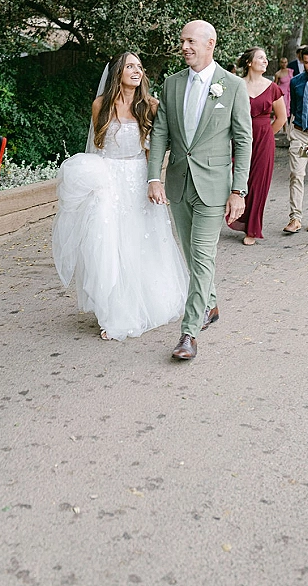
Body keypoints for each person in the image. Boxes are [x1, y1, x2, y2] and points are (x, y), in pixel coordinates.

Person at [52, 52, 188, 341]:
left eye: (139, 67)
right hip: (108, 180)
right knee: (106, 245)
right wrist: (93, 182)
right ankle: (113, 312)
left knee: (141, 241)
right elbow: (97, 146)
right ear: (118, 72)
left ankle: (148, 303)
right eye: (130, 66)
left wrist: (156, 181)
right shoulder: (100, 105)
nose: (136, 71)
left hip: (138, 178)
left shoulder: (151, 106)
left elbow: (155, 149)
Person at [147, 20, 252, 361]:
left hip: (214, 186)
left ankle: (188, 333)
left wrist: (239, 190)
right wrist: (154, 177)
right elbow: (160, 131)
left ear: (211, 43)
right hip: (179, 182)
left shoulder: (232, 86)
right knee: (192, 256)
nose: (185, 46)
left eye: (191, 41)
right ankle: (211, 304)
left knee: (203, 257)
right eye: (182, 41)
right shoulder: (172, 84)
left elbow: (243, 139)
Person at [228, 48, 286, 245]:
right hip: (239, 139)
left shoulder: (273, 88)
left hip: (263, 140)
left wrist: (266, 135)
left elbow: (281, 118)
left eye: (266, 58)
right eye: (261, 58)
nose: (265, 61)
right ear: (249, 63)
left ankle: (252, 229)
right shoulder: (237, 85)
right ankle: (240, 217)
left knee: (258, 184)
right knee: (239, 179)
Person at [283, 44, 308, 234]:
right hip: (298, 133)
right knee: (296, 175)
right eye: (307, 63)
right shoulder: (295, 82)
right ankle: (295, 218)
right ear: (302, 62)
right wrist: (290, 130)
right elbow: (294, 108)